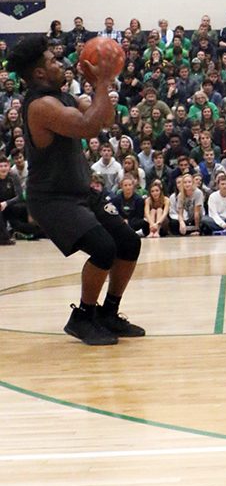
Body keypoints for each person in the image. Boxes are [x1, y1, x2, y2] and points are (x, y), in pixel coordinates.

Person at [7, 36, 144, 345]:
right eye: (54, 61)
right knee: (103, 248)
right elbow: (88, 127)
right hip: (52, 199)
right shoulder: (41, 105)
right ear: (40, 73)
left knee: (128, 242)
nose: (62, 64)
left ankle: (108, 313)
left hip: (80, 192)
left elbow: (105, 119)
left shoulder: (63, 96)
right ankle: (82, 317)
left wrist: (99, 85)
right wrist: (104, 80)